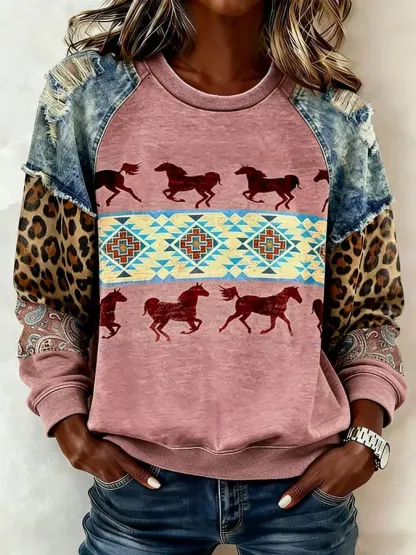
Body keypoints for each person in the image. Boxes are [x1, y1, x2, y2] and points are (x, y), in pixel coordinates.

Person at [14, 1, 407, 553]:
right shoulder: (87, 99)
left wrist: (366, 439)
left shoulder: (334, 118)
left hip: (303, 491)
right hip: (141, 487)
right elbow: (47, 288)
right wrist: (66, 419)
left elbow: (370, 308)